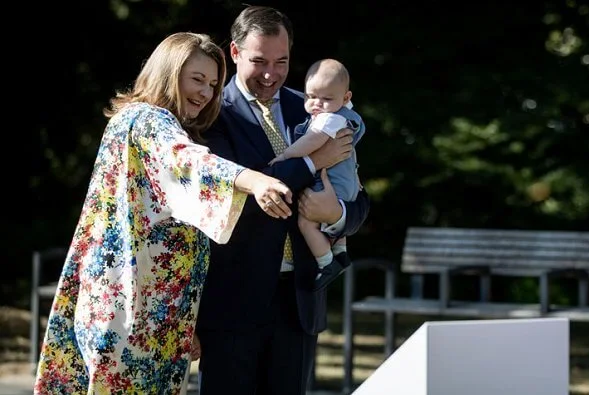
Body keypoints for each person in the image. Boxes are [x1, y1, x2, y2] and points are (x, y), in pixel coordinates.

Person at [33, 32, 293, 395]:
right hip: (130, 312)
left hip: (148, 313)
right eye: (197, 79)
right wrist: (253, 180)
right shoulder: (146, 120)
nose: (205, 93)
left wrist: (189, 321)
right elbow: (187, 162)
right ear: (168, 74)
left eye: (213, 85)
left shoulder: (149, 125)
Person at [195, 6, 371, 395]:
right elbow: (241, 194)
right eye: (259, 61)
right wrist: (314, 161)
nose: (272, 74)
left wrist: (337, 214)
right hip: (233, 303)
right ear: (235, 53)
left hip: (300, 303)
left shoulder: (314, 106)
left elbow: (357, 195)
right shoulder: (211, 115)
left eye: (282, 61)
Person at [268, 58, 365, 291]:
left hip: (333, 183)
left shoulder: (330, 118)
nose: (317, 104)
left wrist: (285, 156)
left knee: (307, 222)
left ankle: (327, 262)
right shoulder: (346, 116)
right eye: (311, 96)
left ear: (346, 98)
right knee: (331, 212)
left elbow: (312, 141)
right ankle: (340, 251)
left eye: (326, 99)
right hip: (349, 184)